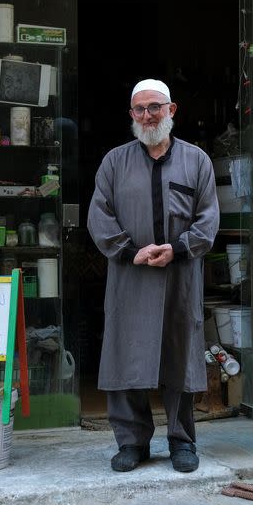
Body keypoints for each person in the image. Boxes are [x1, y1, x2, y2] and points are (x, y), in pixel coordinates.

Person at [87, 78, 219, 473]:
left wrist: (177, 249)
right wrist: (131, 250)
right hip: (131, 275)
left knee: (179, 357)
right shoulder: (114, 162)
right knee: (127, 354)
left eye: (154, 107)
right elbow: (99, 215)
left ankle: (181, 441)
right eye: (139, 109)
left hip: (180, 277)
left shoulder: (197, 161)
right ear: (131, 115)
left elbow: (208, 218)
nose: (147, 116)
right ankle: (132, 443)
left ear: (171, 110)